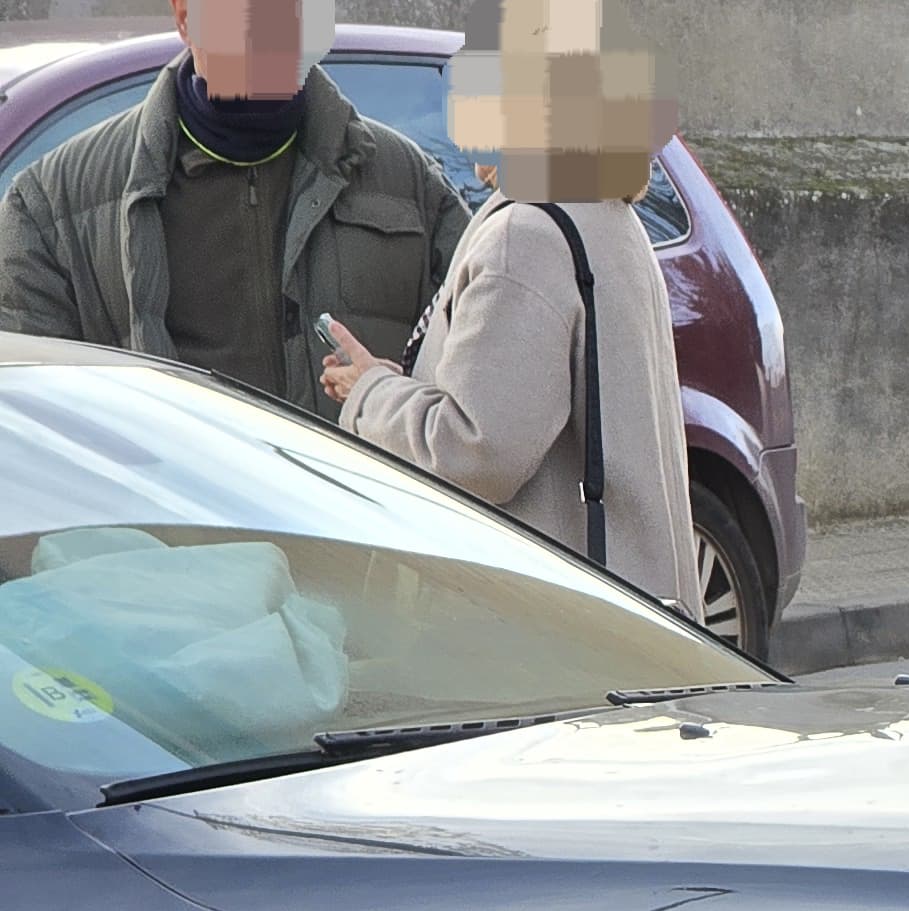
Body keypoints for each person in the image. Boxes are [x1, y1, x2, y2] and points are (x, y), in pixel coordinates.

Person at [319, 0, 688, 608]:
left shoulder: (528, 235)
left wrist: (368, 395)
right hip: (629, 620)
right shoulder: (606, 213)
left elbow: (473, 454)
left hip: (548, 637)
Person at [0, 0, 467, 417]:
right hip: (168, 513)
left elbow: (479, 390)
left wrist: (392, 400)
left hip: (376, 512)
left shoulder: (411, 185)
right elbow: (33, 432)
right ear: (185, 17)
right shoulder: (51, 208)